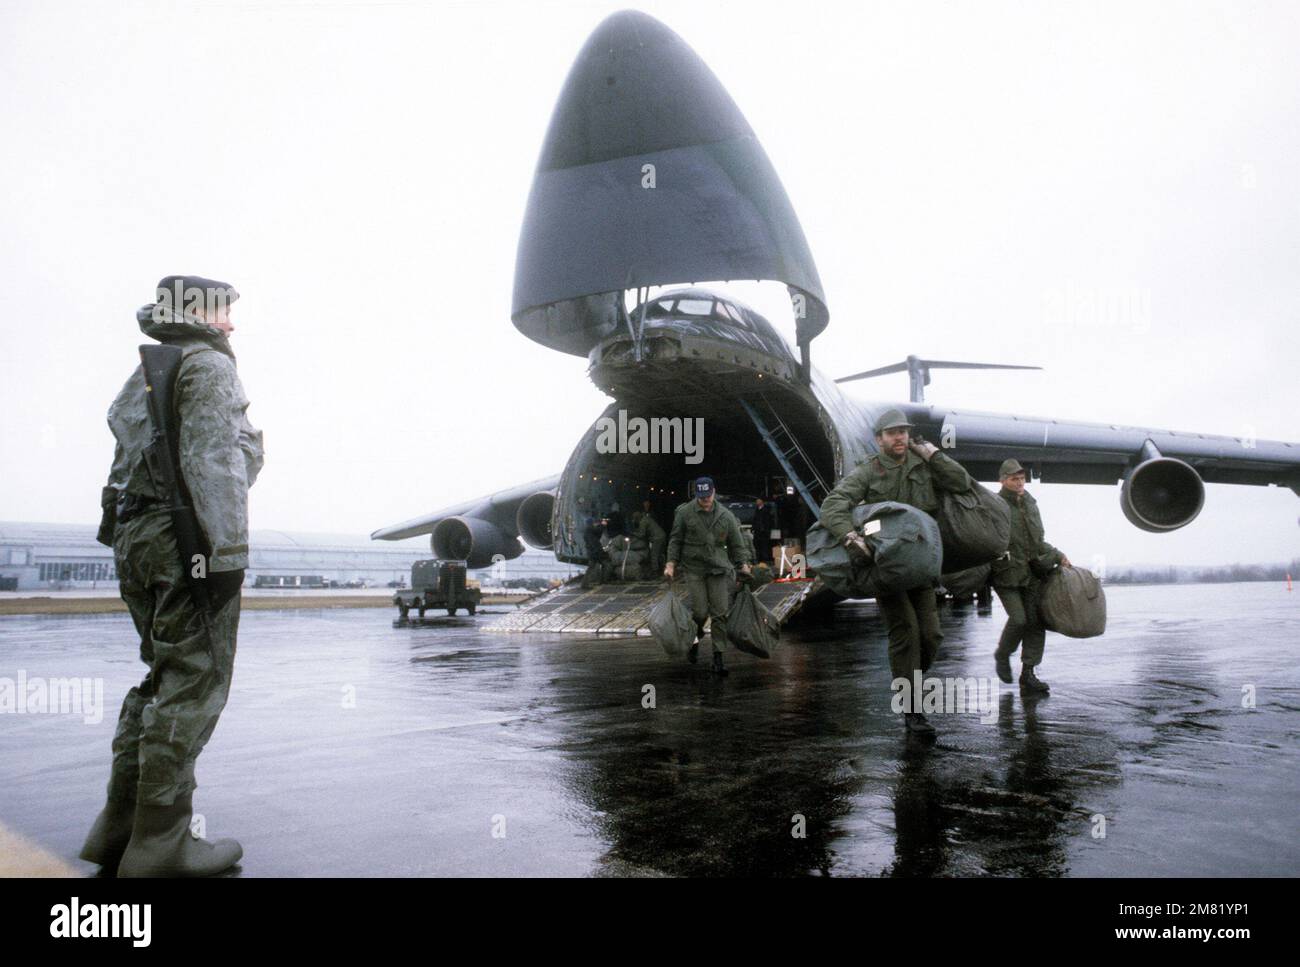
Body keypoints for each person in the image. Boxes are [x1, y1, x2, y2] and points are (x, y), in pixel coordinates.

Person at [80, 275, 263, 876]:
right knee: (191, 682)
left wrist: (128, 542)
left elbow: (123, 469)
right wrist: (226, 558)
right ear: (200, 315)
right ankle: (160, 845)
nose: (231, 325)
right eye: (224, 314)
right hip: (183, 538)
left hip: (137, 539)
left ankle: (119, 828)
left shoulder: (146, 372)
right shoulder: (207, 365)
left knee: (158, 681)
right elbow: (213, 462)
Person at [819, 409, 976, 737]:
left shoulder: (924, 465)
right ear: (879, 439)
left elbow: (961, 482)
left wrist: (934, 455)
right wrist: (850, 536)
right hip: (886, 564)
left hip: (920, 563)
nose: (900, 437)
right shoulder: (869, 471)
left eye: (903, 432)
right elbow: (833, 505)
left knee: (930, 636)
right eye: (892, 433)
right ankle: (912, 710)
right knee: (905, 631)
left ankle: (911, 684)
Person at [990, 459, 1070, 694]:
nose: (1019, 482)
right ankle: (1002, 654)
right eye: (1014, 478)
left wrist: (1058, 555)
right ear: (1003, 480)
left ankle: (1028, 674)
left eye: (1022, 478)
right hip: (1005, 574)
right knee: (1019, 619)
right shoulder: (995, 506)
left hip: (1030, 573)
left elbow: (1036, 542)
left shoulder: (1031, 504)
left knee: (1035, 622)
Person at [664, 477, 752, 676]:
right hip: (694, 567)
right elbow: (675, 540)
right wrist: (670, 564)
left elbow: (738, 545)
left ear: (714, 492)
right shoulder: (685, 512)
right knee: (701, 611)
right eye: (701, 497)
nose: (705, 501)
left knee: (720, 613)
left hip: (718, 569)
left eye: (708, 496)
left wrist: (743, 565)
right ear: (697, 495)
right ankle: (694, 639)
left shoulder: (726, 516)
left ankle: (718, 658)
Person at [630, 509, 667, 577]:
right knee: (660, 554)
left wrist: (633, 533)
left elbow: (642, 534)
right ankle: (663, 569)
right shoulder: (646, 518)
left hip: (657, 538)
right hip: (661, 535)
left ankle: (655, 572)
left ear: (637, 518)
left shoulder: (643, 522)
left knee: (654, 555)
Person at [751, 496, 778, 566]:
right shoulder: (757, 509)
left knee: (764, 545)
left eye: (758, 500)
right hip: (758, 531)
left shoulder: (767, 510)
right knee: (758, 545)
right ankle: (759, 558)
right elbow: (755, 520)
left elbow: (768, 521)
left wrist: (766, 529)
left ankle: (765, 559)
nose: (757, 502)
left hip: (764, 531)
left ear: (762, 501)